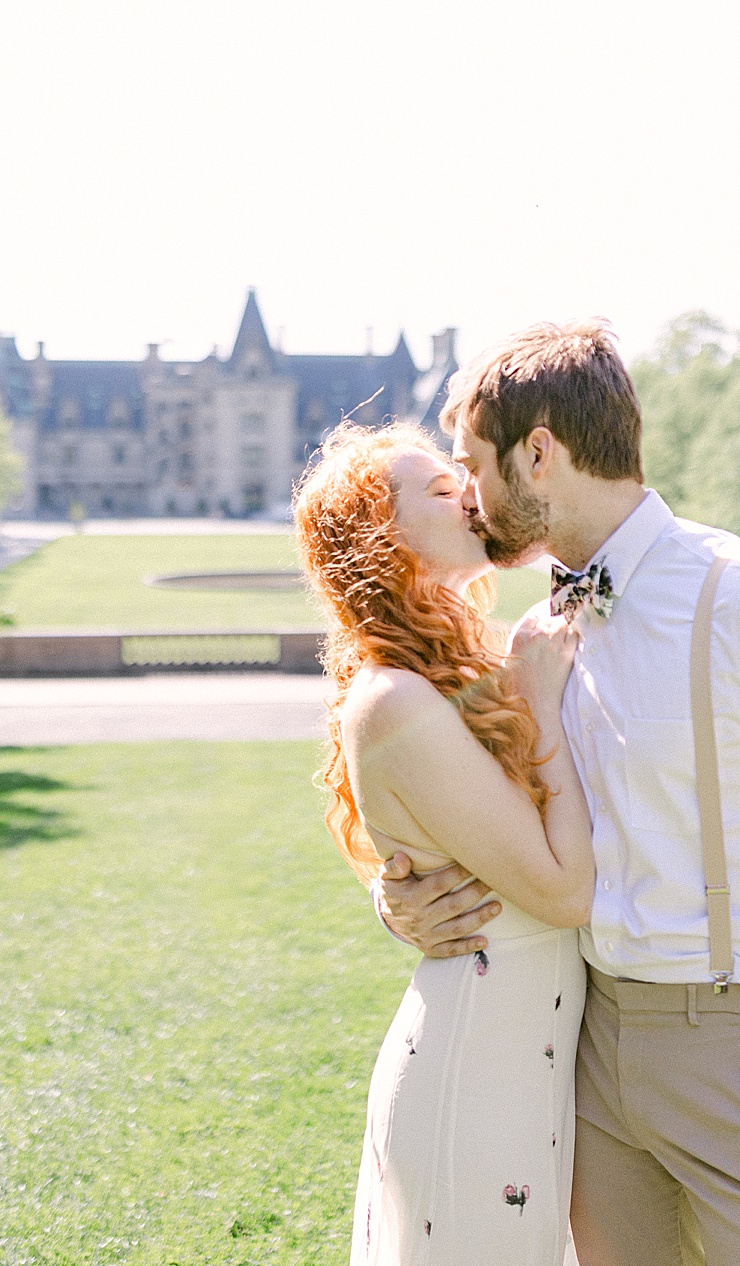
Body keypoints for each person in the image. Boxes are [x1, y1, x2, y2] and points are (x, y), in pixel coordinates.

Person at [376, 321, 740, 1266]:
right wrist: (399, 894)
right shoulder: (536, 635)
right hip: (589, 1056)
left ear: (540, 453)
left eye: (473, 465)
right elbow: (451, 803)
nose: (468, 499)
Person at [294, 422, 598, 1266]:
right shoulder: (392, 701)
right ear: (379, 540)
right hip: (477, 1073)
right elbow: (564, 890)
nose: (470, 489)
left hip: (533, 1062)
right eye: (437, 488)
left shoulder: (477, 662)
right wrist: (540, 708)